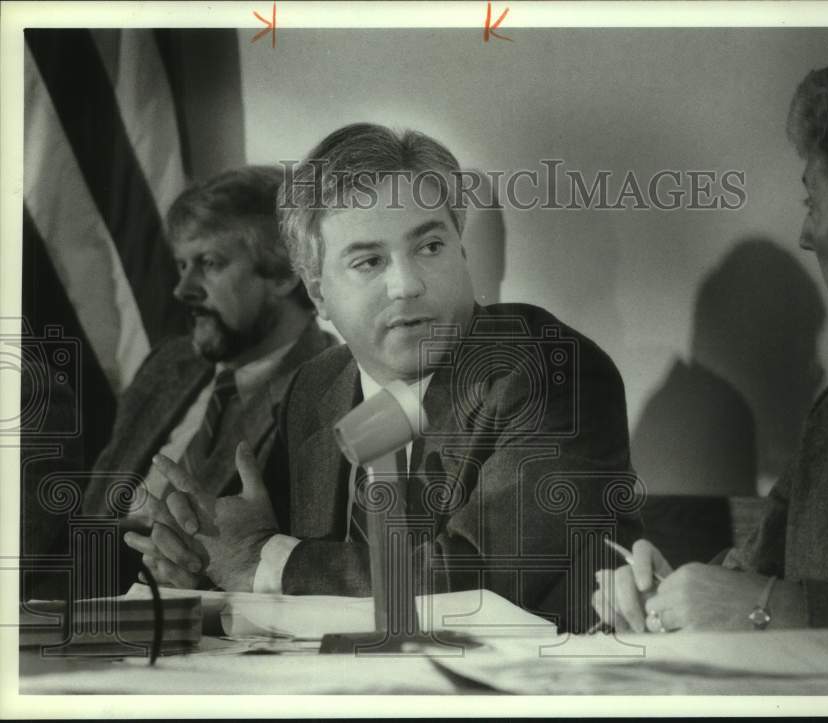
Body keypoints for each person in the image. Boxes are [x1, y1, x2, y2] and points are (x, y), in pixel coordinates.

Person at [139, 124, 642, 632]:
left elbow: (473, 584)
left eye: (429, 248)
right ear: (318, 295)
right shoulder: (317, 388)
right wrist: (201, 565)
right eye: (369, 261)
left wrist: (264, 560)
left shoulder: (551, 369)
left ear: (462, 253)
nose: (407, 285)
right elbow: (269, 562)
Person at [593, 27, 828, 671]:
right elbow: (748, 578)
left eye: (812, 201)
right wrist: (664, 593)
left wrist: (774, 607)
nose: (805, 234)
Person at [80, 166, 335, 594]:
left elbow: (290, 566)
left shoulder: (329, 389)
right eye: (182, 265)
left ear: (284, 274)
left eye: (209, 264)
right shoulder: (169, 363)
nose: (182, 289)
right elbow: (89, 517)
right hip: (78, 591)